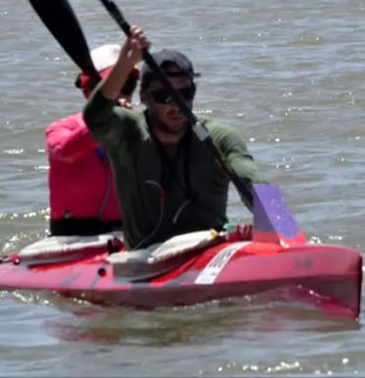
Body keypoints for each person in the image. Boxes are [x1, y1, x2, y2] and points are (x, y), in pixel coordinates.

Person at [82, 26, 262, 250]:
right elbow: (95, 116)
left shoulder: (219, 136)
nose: (176, 105)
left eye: (184, 94)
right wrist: (125, 64)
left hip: (209, 251)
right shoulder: (128, 132)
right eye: (163, 96)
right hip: (145, 260)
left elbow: (254, 182)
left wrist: (286, 232)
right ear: (144, 96)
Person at [46, 44, 139, 236]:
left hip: (129, 230)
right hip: (74, 235)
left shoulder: (142, 127)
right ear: (89, 91)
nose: (122, 93)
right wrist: (103, 122)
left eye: (128, 84)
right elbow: (64, 150)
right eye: (114, 86)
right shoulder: (61, 129)